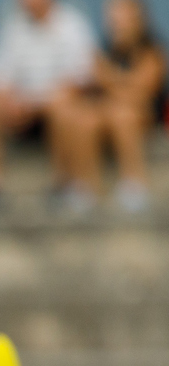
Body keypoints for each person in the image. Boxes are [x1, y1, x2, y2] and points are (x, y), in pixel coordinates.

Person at [0, 0, 96, 212]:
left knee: (64, 108)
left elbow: (79, 82)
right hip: (19, 110)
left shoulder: (72, 25)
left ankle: (64, 184)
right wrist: (8, 101)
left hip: (52, 111)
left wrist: (34, 104)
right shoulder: (13, 27)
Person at [51, 0, 165, 213]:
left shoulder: (151, 50)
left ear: (138, 18)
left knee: (122, 114)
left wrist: (107, 77)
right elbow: (93, 82)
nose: (116, 21)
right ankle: (86, 187)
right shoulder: (106, 49)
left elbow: (140, 94)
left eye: (122, 15)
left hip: (141, 119)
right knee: (83, 118)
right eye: (113, 16)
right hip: (109, 114)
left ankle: (135, 184)